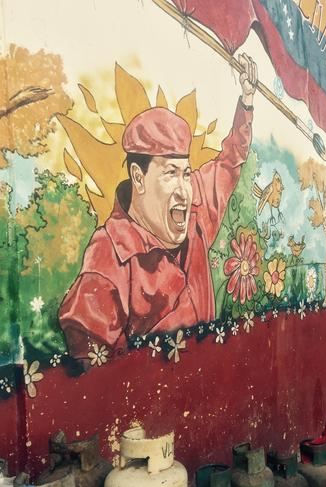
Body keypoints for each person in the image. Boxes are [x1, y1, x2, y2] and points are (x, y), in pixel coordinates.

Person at [59, 55, 258, 362]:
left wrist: (246, 102)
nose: (183, 189)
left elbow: (228, 163)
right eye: (169, 174)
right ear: (138, 177)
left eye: (185, 173)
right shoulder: (109, 256)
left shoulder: (194, 212)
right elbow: (91, 366)